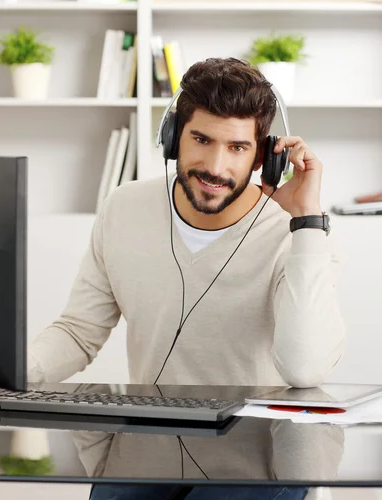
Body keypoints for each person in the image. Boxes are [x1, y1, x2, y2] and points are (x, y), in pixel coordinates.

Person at [28, 57, 345, 499]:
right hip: (149, 446)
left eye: (237, 148)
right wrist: (5, 372)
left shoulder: (293, 231)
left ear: (264, 157)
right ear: (174, 137)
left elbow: (305, 368)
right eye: (201, 139)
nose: (216, 167)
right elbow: (79, 332)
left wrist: (307, 222)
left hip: (256, 454)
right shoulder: (125, 207)